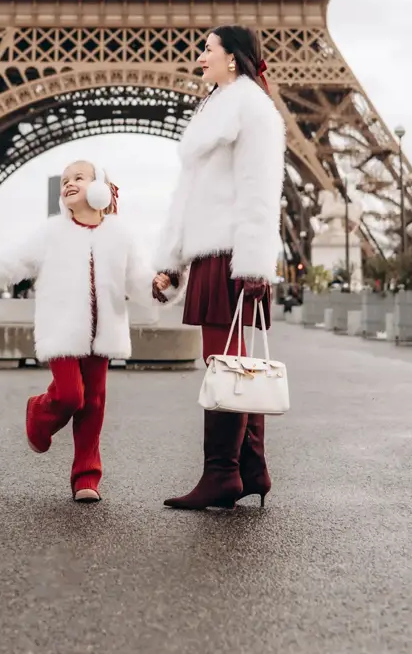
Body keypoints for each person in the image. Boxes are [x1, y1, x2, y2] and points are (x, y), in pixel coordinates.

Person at [0, 160, 156, 503]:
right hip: (62, 330)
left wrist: (160, 285)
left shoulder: (120, 235)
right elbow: (11, 263)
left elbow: (137, 280)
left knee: (93, 403)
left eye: (79, 177)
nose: (69, 183)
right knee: (72, 395)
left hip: (103, 334)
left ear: (100, 187)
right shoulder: (51, 234)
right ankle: (40, 412)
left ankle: (86, 476)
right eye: (65, 180)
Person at [153, 25, 285, 510]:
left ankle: (222, 473)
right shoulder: (214, 108)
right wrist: (171, 262)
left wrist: (253, 265)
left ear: (233, 58)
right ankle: (251, 467)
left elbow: (259, 190)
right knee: (234, 364)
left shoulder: (252, 109)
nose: (199, 55)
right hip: (213, 254)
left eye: (207, 48)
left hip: (233, 256)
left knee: (224, 363)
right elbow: (187, 196)